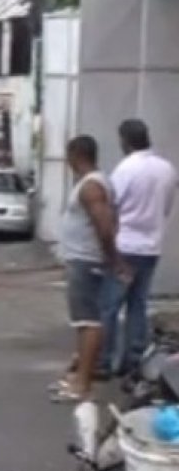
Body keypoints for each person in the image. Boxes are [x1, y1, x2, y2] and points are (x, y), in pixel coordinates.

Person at [100, 120, 177, 376]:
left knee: (110, 306)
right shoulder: (167, 169)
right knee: (138, 305)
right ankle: (134, 359)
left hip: (124, 247)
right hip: (151, 247)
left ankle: (105, 360)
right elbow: (166, 208)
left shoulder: (125, 169)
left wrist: (108, 247)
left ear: (125, 140)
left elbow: (111, 209)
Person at [51, 135, 123, 402]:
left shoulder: (91, 186)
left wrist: (113, 259)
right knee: (83, 322)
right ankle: (79, 376)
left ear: (75, 155)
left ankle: (82, 383)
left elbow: (105, 226)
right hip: (81, 260)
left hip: (86, 261)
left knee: (89, 322)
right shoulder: (92, 183)